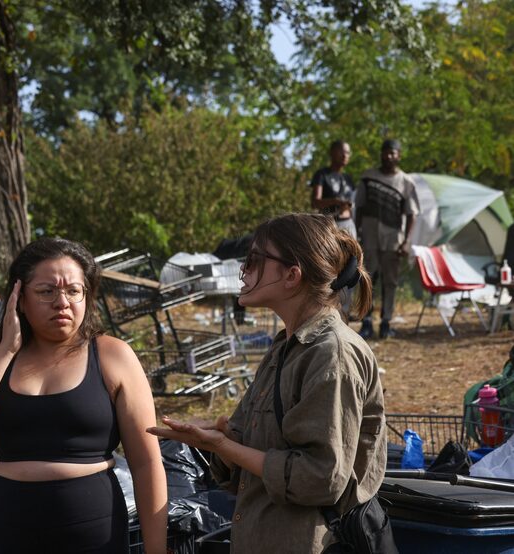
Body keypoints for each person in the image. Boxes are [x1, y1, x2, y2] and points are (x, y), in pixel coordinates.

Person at [147, 213, 388, 553]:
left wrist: (224, 446)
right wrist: (221, 435)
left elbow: (321, 477)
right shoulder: (284, 348)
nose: (243, 271)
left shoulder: (332, 354)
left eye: (254, 260)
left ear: (292, 275)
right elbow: (255, 446)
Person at [0, 237, 168, 553]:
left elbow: (146, 463)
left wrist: (156, 550)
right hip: (7, 527)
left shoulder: (113, 355)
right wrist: (6, 350)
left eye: (74, 291)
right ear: (19, 298)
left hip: (93, 529)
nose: (62, 302)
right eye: (47, 292)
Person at [355, 139, 419, 339]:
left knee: (390, 282)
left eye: (393, 153)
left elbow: (412, 214)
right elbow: (359, 207)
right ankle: (366, 321)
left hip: (393, 239)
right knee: (367, 279)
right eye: (386, 152)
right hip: (370, 237)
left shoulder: (406, 182)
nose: (389, 156)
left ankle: (386, 322)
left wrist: (405, 241)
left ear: (399, 155)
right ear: (381, 154)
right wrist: (357, 235)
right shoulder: (368, 178)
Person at [309, 140, 356, 239]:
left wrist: (348, 205)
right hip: (328, 224)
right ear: (332, 152)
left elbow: (353, 202)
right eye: (341, 151)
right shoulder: (322, 174)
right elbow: (315, 203)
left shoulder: (348, 178)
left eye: (347, 153)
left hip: (348, 225)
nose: (345, 155)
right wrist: (336, 201)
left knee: (352, 254)